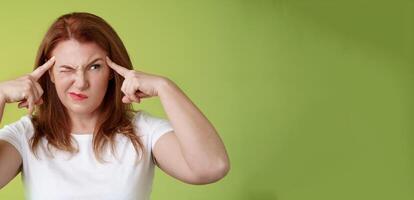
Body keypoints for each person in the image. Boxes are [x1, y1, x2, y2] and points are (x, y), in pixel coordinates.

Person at [0, 12, 230, 200]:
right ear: (49, 73)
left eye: (94, 67)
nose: (80, 82)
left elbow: (212, 167)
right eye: (66, 69)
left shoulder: (142, 131)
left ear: (112, 71)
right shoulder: (26, 135)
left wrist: (165, 87)